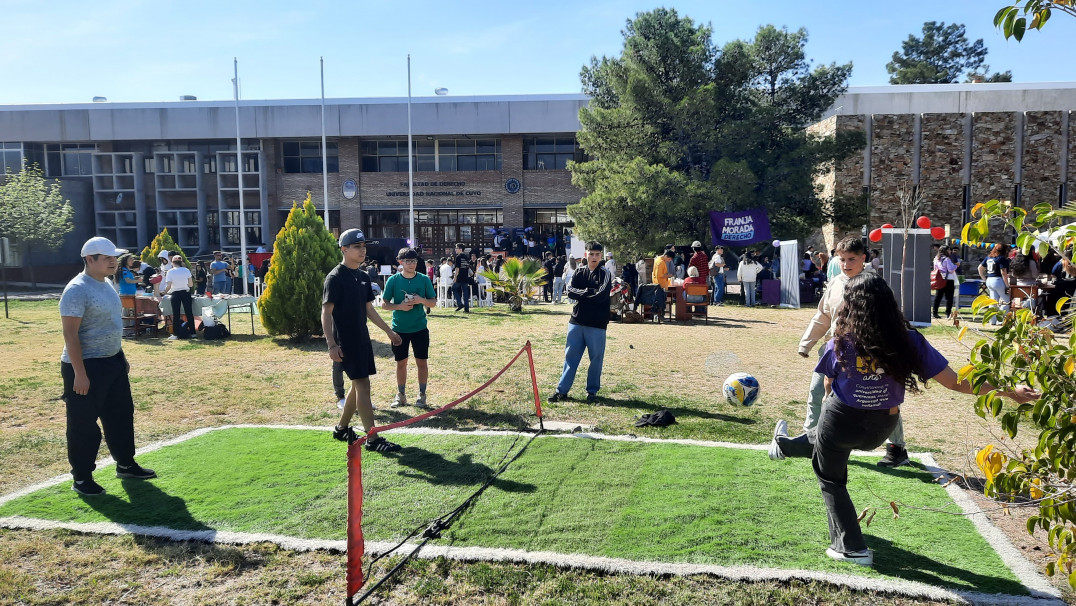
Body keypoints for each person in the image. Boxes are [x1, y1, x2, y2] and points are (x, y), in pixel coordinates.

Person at [804, 272, 1037, 566]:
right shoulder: (909, 341)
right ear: (888, 303)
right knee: (823, 446)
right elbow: (955, 382)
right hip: (882, 428)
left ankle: (851, 547)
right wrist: (1009, 392)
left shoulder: (839, 342)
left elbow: (828, 383)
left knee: (831, 479)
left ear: (849, 305)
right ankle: (785, 446)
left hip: (841, 421)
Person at [771, 236, 913, 467]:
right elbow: (823, 316)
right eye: (842, 259)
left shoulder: (875, 285)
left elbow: (890, 319)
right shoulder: (835, 283)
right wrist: (806, 343)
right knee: (817, 393)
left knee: (884, 400)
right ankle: (811, 441)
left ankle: (897, 449)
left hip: (869, 353)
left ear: (863, 258)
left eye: (851, 259)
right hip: (835, 350)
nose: (846, 264)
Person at [60, 237, 157, 496]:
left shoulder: (107, 284)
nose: (113, 261)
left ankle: (125, 464)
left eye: (114, 257)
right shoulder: (77, 289)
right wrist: (79, 374)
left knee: (121, 415)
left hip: (111, 361)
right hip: (85, 365)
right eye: (107, 258)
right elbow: (70, 335)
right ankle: (81, 477)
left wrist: (120, 357)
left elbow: (110, 327)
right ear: (89, 260)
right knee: (83, 424)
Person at [323, 228, 403, 452]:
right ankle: (373, 438)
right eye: (357, 246)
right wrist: (331, 344)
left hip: (362, 338)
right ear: (344, 249)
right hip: (345, 342)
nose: (362, 250)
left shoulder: (363, 276)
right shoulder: (335, 278)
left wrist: (389, 331)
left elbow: (369, 309)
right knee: (363, 385)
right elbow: (326, 313)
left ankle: (341, 428)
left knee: (357, 385)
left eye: (363, 246)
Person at [549, 241, 611, 404]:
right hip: (576, 321)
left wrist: (582, 294)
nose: (594, 257)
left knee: (596, 358)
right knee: (570, 357)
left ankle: (592, 392)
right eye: (591, 254)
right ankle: (561, 391)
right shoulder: (579, 272)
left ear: (601, 256)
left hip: (597, 323)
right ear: (586, 255)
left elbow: (601, 296)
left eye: (597, 254)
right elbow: (569, 291)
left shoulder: (605, 274)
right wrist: (588, 292)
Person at [382, 247, 437, 408]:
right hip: (399, 329)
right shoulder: (393, 280)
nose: (411, 264)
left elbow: (433, 302)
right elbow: (385, 305)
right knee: (401, 363)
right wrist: (400, 306)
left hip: (420, 328)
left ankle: (422, 395)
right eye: (408, 261)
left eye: (414, 261)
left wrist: (421, 300)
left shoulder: (424, 279)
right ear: (400, 262)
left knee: (422, 362)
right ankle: (401, 395)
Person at [159, 255, 195, 340]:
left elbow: (168, 286)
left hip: (175, 293)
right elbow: (191, 284)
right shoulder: (186, 270)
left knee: (176, 314)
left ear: (172, 262)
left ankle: (176, 334)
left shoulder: (170, 272)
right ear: (181, 262)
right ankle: (193, 333)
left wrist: (164, 292)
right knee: (189, 313)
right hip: (186, 293)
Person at [977, 243, 1010, 325]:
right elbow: (1003, 272)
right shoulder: (1001, 258)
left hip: (989, 279)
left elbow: (980, 268)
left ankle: (992, 320)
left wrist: (984, 279)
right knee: (1005, 300)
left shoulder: (988, 257)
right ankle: (1001, 320)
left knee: (993, 301)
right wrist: (1007, 285)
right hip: (998, 279)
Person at [932, 245, 959, 319]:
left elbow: (935, 269)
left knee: (938, 296)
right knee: (949, 297)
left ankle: (935, 312)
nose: (950, 251)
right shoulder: (947, 259)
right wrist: (956, 265)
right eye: (949, 250)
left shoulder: (936, 259)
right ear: (946, 251)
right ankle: (948, 313)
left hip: (940, 278)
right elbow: (950, 269)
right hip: (949, 279)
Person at [452, 243, 473, 313]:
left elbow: (457, 268)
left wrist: (455, 277)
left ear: (460, 249)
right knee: (465, 293)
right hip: (465, 277)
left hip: (459, 277)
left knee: (454, 288)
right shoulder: (466, 257)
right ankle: (466, 308)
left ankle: (460, 303)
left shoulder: (458, 257)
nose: (455, 250)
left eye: (456, 248)